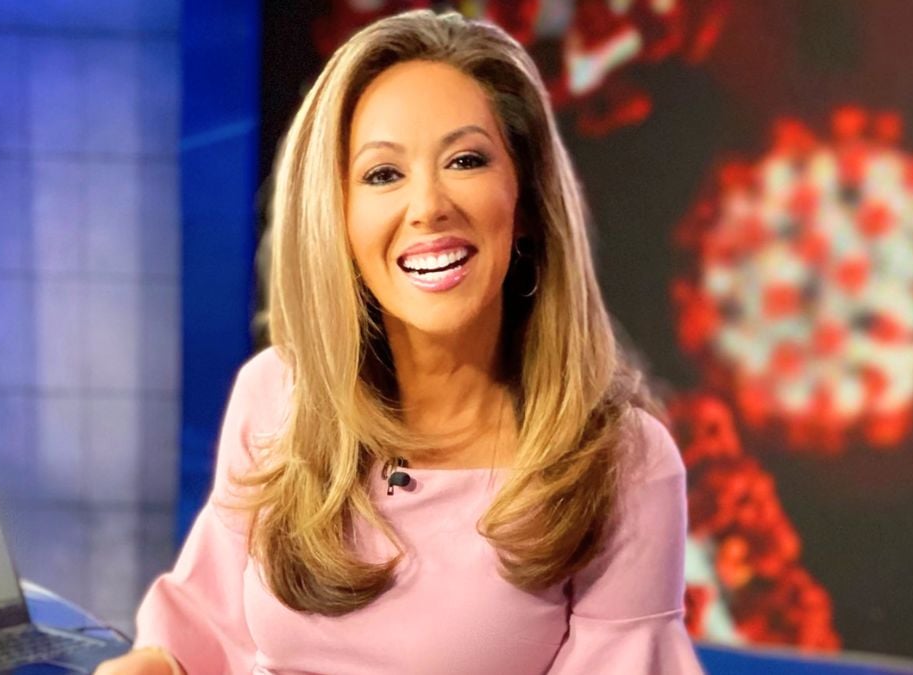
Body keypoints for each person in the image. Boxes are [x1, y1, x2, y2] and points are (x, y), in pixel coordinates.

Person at [97, 9, 701, 675]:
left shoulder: (622, 462)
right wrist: (145, 666)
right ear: (339, 217)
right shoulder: (275, 394)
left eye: (466, 160)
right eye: (383, 174)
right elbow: (204, 626)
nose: (428, 206)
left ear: (525, 204)